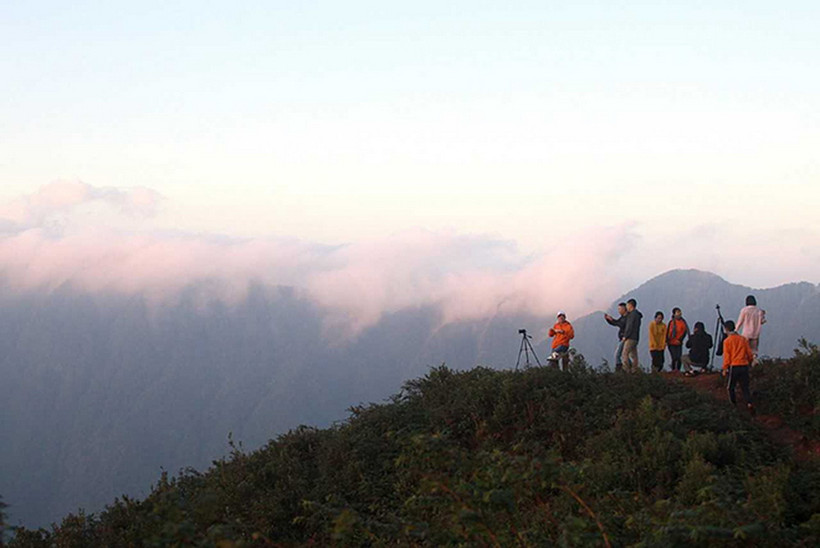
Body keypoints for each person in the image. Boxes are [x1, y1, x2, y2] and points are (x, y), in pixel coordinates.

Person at [721, 320, 755, 413]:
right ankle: (749, 403)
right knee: (745, 387)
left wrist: (725, 368)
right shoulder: (743, 339)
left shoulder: (727, 341)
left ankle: (733, 405)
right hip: (744, 365)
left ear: (726, 329)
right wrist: (750, 362)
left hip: (734, 366)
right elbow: (749, 353)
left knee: (730, 387)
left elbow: (727, 357)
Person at [736, 295, 766, 360]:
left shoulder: (744, 310)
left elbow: (740, 321)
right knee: (754, 352)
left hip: (746, 334)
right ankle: (753, 362)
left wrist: (735, 330)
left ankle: (745, 362)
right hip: (755, 334)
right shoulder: (759, 311)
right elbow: (762, 321)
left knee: (744, 351)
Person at [604, 303, 628, 371]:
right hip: (622, 338)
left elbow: (619, 324)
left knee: (618, 355)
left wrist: (611, 320)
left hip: (624, 338)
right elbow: (616, 323)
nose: (619, 311)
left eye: (620, 309)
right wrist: (609, 320)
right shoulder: (622, 317)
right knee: (624, 355)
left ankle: (619, 370)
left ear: (624, 308)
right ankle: (630, 368)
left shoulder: (627, 318)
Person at [621, 299, 643, 373]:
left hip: (630, 337)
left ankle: (626, 369)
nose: (626, 307)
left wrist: (625, 336)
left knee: (625, 353)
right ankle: (634, 369)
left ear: (630, 305)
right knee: (634, 355)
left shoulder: (632, 315)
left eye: (627, 305)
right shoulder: (637, 315)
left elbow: (629, 326)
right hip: (636, 337)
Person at [666, 307, 690, 372]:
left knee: (679, 357)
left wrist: (679, 340)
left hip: (679, 342)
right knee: (674, 357)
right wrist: (667, 340)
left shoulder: (683, 322)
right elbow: (668, 332)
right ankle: (673, 370)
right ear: (674, 314)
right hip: (671, 343)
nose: (679, 313)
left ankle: (678, 370)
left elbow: (684, 332)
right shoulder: (671, 322)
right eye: (677, 312)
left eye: (679, 312)